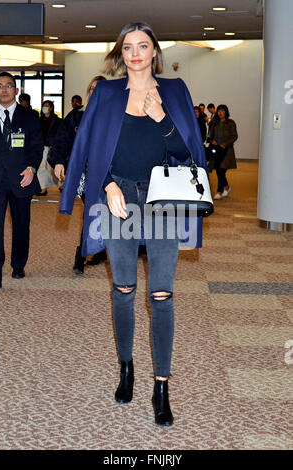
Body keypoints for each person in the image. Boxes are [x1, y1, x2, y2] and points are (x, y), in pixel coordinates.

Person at [59, 22, 207, 426]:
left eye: (143, 46)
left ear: (155, 51)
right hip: (118, 199)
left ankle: (162, 384)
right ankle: (127, 367)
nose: (136, 53)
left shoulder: (174, 91)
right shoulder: (106, 93)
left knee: (162, 294)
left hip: (162, 200)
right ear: (120, 54)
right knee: (123, 288)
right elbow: (89, 148)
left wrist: (162, 118)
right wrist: (106, 184)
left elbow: (187, 154)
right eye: (128, 47)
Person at [52, 76, 107, 274]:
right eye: (92, 88)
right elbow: (62, 140)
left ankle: (99, 249)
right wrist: (59, 161)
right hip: (86, 174)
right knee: (92, 211)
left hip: (112, 175)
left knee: (107, 213)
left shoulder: (116, 116)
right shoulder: (76, 117)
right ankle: (83, 253)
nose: (95, 91)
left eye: (99, 88)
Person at [0, 72, 43, 288]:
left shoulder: (29, 116)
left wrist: (32, 168)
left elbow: (36, 147)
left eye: (8, 86)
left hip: (21, 179)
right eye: (0, 86)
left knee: (21, 224)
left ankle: (18, 265)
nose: (4, 90)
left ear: (16, 90)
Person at [209, 104, 238, 200]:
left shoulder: (230, 123)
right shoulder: (215, 122)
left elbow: (234, 136)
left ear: (226, 112)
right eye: (219, 111)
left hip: (226, 151)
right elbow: (211, 134)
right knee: (219, 170)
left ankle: (219, 191)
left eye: (222, 110)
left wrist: (224, 144)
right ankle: (227, 187)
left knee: (221, 170)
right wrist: (212, 140)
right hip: (216, 150)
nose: (220, 112)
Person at [36, 100, 61, 196]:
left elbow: (60, 134)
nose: (45, 108)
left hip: (52, 147)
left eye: (47, 106)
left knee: (52, 168)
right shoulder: (39, 120)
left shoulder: (57, 120)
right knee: (41, 167)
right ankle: (43, 188)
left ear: (51, 108)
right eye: (43, 106)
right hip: (41, 147)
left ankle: (63, 184)